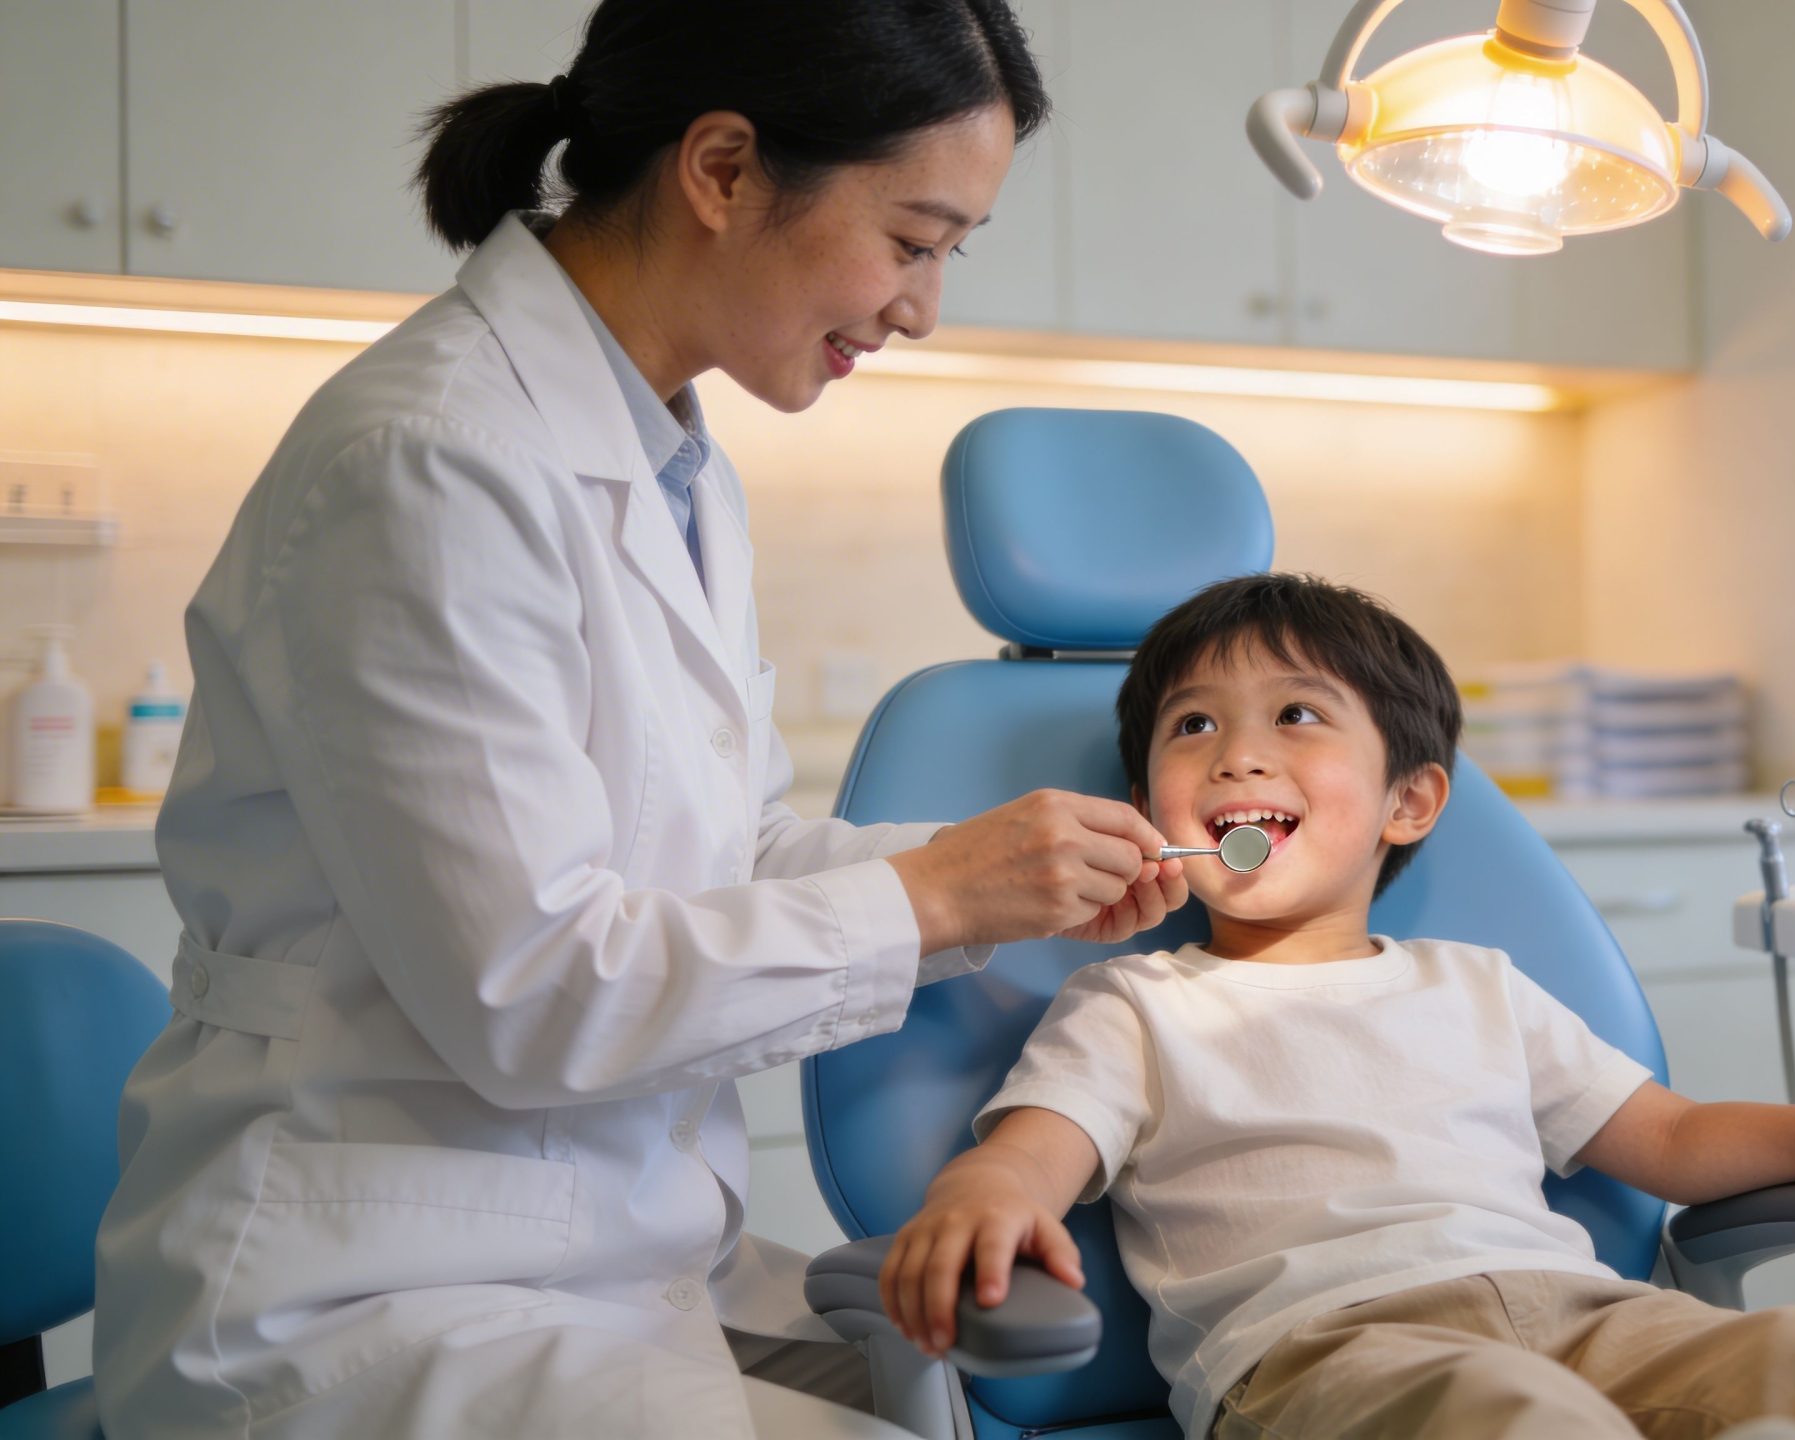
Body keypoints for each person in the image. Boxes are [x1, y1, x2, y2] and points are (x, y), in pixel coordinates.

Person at [91, 4, 1189, 1437]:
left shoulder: (668, 457)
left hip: (605, 1259)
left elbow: (702, 863)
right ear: (724, 169)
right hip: (373, 1290)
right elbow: (537, 987)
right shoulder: (429, 461)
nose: (922, 307)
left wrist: (991, 884)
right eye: (912, 241)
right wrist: (930, 896)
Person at [877, 573, 1795, 1440]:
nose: (1235, 754)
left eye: (1295, 720)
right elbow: (1040, 1147)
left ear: (1412, 803)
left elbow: (1661, 1132)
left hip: (1591, 1312)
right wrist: (979, 1194)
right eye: (1192, 729)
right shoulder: (1140, 1007)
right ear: (1154, 799)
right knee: (1531, 1432)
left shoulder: (1477, 986)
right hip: (1332, 1362)